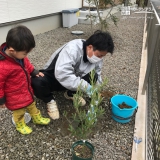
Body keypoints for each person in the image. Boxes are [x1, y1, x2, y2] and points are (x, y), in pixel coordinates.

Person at [31, 30, 114, 120]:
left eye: (103, 56)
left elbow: (97, 72)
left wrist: (97, 90)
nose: (100, 58)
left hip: (74, 79)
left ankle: (71, 93)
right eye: (99, 55)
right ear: (90, 47)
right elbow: (62, 73)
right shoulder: (73, 49)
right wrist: (86, 87)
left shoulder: (97, 57)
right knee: (37, 81)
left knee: (94, 76)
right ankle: (50, 100)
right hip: (55, 77)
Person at [0, 25, 50, 135]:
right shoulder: (2, 66)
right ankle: (20, 124)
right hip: (14, 97)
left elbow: (27, 64)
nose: (26, 56)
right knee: (19, 111)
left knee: (32, 104)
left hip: (26, 90)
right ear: (12, 50)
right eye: (25, 53)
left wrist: (34, 72)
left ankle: (36, 118)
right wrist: (1, 99)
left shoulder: (20, 56)